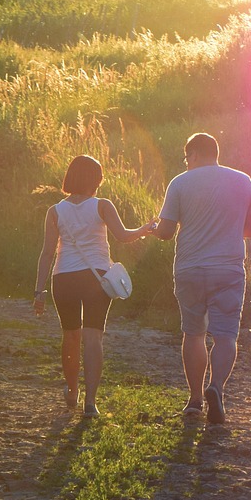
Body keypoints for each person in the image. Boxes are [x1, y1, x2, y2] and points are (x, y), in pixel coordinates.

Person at [33, 155, 156, 418]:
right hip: (95, 278)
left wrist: (39, 291)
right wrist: (144, 229)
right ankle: (91, 402)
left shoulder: (54, 211)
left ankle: (72, 390)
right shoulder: (102, 206)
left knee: (70, 336)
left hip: (63, 277)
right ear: (95, 180)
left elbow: (46, 253)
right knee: (92, 337)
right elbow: (123, 236)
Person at [152, 133, 251, 424]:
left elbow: (165, 232)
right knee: (225, 335)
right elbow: (250, 230)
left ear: (195, 154)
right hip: (228, 269)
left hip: (190, 269)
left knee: (194, 332)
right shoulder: (243, 180)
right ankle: (217, 388)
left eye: (187, 158)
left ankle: (195, 399)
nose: (186, 163)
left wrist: (153, 227)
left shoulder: (180, 183)